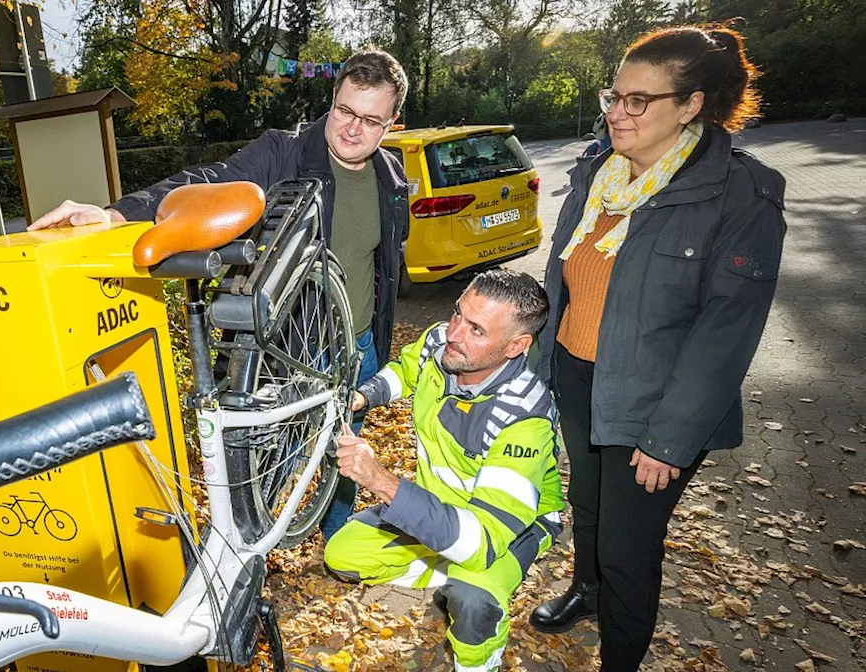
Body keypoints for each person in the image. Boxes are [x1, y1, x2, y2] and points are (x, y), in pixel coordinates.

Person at [29, 50, 412, 539]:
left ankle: (339, 543)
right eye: (344, 110)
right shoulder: (285, 152)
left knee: (346, 452)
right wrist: (119, 214)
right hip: (292, 348)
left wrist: (374, 342)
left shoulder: (391, 176)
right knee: (270, 462)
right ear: (332, 100)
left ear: (391, 123)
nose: (353, 128)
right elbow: (206, 180)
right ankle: (248, 558)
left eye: (370, 119)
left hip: (357, 343)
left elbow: (382, 268)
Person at [527, 26, 786, 671]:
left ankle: (619, 658)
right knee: (586, 510)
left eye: (638, 101)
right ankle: (586, 592)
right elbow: (568, 281)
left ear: (691, 104)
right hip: (581, 378)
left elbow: (725, 336)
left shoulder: (739, 195)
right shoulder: (598, 173)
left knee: (627, 547)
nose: (617, 112)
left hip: (655, 406)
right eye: (613, 95)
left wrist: (669, 438)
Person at [324, 270, 564, 672]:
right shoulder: (442, 343)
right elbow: (406, 370)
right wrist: (364, 396)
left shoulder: (524, 418)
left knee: (473, 596)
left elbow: (481, 541)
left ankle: (479, 661)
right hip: (444, 505)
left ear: (516, 346)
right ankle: (443, 562)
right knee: (343, 554)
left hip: (504, 528)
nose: (454, 333)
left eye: (476, 329)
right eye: (457, 313)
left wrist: (380, 480)